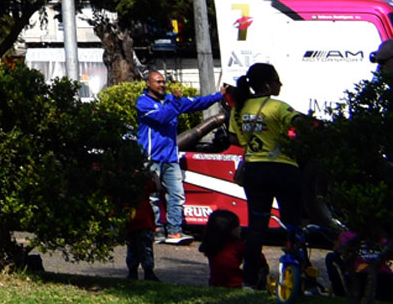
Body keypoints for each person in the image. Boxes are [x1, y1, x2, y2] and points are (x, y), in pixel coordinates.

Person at [225, 62, 308, 288]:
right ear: (267, 85)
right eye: (277, 81)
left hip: (254, 171)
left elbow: (234, 139)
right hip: (284, 170)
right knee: (292, 225)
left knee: (256, 227)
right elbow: (300, 125)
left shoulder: (239, 108)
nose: (280, 85)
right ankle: (301, 278)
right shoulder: (278, 107)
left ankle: (249, 280)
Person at [136, 68, 224, 243]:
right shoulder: (143, 102)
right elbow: (162, 118)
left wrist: (219, 95)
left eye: (163, 81)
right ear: (148, 83)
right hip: (151, 159)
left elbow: (198, 103)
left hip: (171, 158)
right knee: (152, 197)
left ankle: (174, 231)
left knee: (176, 195)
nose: (162, 85)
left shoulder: (171, 100)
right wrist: (177, 103)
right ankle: (156, 229)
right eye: (158, 82)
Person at [201, 209, 246, 287]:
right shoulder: (236, 245)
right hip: (236, 283)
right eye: (237, 226)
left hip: (214, 282)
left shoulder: (211, 243)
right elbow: (257, 258)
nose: (240, 228)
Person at [124, 186, 158, 281]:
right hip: (144, 219)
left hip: (130, 218)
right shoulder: (143, 182)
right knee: (145, 248)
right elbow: (155, 187)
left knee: (132, 247)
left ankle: (133, 271)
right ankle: (148, 272)